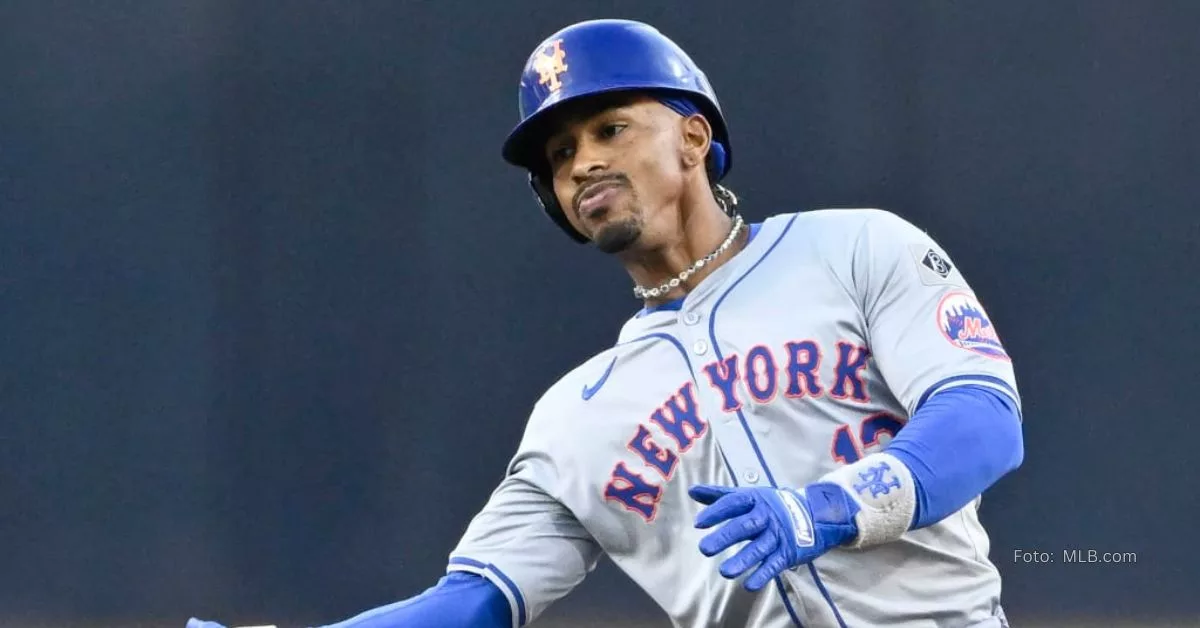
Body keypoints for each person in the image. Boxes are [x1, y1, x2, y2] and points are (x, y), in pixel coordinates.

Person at [189, 18, 1024, 628]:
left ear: (693, 137)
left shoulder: (857, 247)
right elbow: (474, 602)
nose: (582, 160)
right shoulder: (574, 416)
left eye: (609, 128)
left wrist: (824, 510)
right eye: (558, 154)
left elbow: (983, 420)